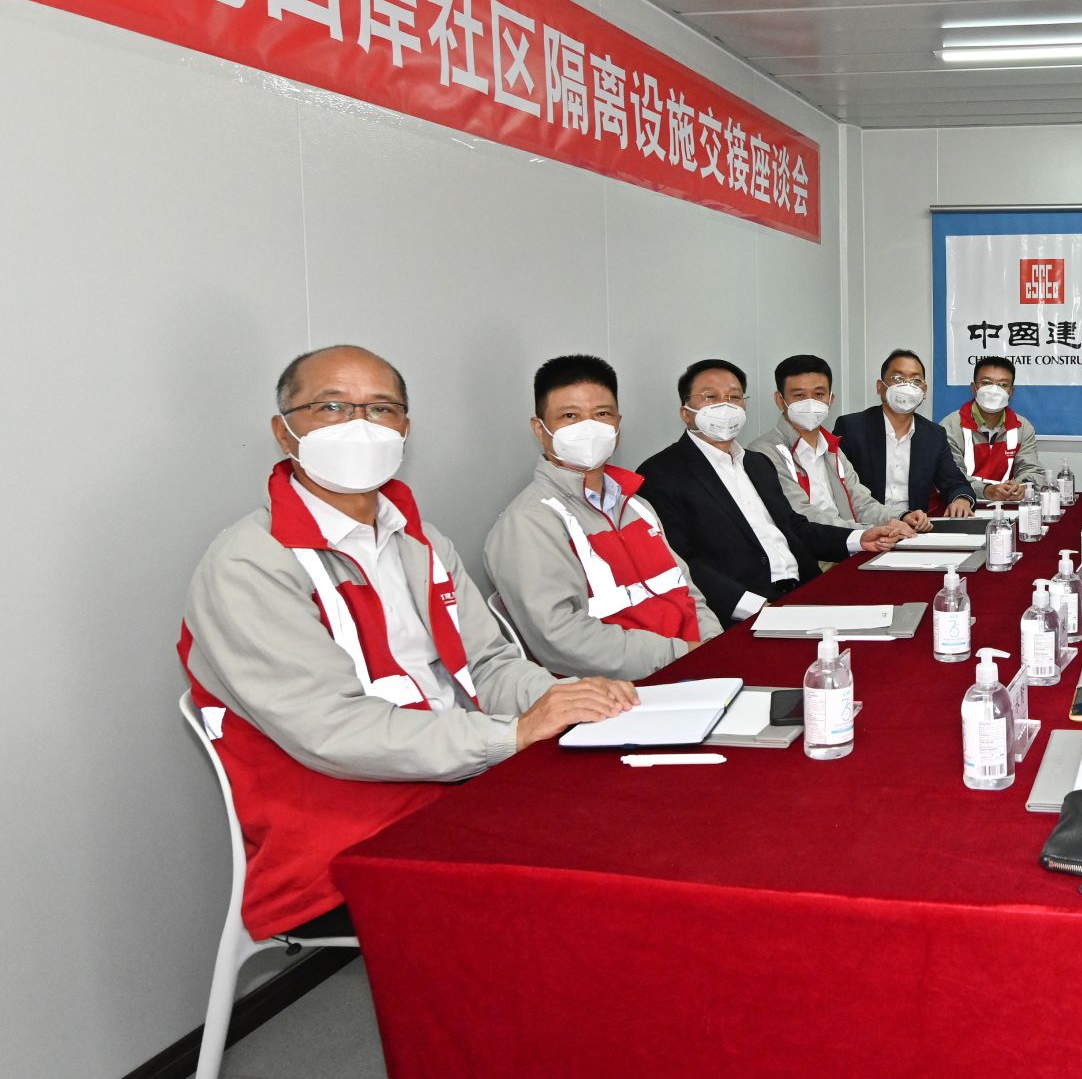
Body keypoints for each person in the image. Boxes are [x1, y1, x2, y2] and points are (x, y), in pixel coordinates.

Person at [179, 345, 637, 941]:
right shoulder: (250, 563)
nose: (360, 426)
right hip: (345, 828)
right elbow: (331, 732)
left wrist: (574, 700)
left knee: (637, 812)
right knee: (591, 881)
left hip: (459, 779)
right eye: (332, 406)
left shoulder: (418, 539)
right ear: (284, 431)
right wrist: (512, 734)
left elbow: (490, 665)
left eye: (381, 409)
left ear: (405, 429)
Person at [483, 354, 721, 681]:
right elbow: (561, 639)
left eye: (602, 414)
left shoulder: (637, 505)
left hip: (693, 668)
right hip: (617, 695)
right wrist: (681, 654)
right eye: (570, 416)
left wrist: (713, 645)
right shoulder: (529, 523)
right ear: (540, 429)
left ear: (618, 424)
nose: (589, 428)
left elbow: (688, 591)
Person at [635, 359, 910, 623]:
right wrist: (754, 608)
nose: (725, 406)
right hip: (745, 609)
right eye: (710, 397)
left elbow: (795, 527)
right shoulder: (661, 473)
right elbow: (680, 560)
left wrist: (859, 539)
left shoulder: (756, 463)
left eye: (734, 397)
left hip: (804, 589)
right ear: (686, 412)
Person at [746, 353, 931, 531]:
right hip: (809, 555)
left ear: (830, 399)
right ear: (780, 400)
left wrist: (901, 517)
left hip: (846, 544)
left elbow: (861, 503)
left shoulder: (831, 448)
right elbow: (802, 516)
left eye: (819, 394)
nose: (810, 403)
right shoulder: (763, 453)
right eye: (799, 395)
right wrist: (862, 532)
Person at [832, 349, 977, 519]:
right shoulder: (852, 428)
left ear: (924, 391)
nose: (907, 386)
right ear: (880, 387)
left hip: (913, 529)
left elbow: (954, 481)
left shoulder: (933, 435)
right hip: (864, 527)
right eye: (898, 379)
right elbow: (838, 487)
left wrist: (961, 499)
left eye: (916, 380)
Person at [952, 355, 1049, 501]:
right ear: (974, 388)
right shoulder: (951, 426)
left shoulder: (1022, 427)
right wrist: (986, 490)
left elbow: (1032, 471)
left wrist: (1021, 486)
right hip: (963, 505)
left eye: (1003, 384)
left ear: (1011, 392)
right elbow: (949, 477)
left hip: (1008, 506)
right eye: (986, 382)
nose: (994, 390)